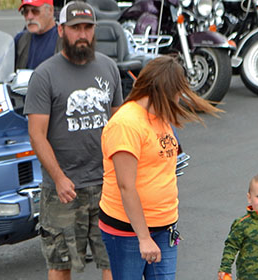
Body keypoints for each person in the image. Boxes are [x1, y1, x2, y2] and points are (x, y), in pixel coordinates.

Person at [98, 55, 223, 280]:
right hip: (129, 231)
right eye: (177, 92)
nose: (179, 98)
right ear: (163, 90)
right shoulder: (126, 124)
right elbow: (126, 186)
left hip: (164, 227)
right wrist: (144, 238)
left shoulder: (160, 116)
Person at [23, 1, 123, 280]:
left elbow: (119, 126)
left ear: (94, 31)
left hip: (106, 187)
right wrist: (58, 177)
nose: (82, 34)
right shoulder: (44, 75)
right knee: (60, 265)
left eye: (87, 28)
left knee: (113, 261)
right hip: (63, 190)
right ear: (61, 30)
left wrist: (122, 176)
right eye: (75, 28)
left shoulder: (109, 68)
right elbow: (36, 134)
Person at [15, 0, 58, 70]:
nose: (29, 17)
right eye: (25, 12)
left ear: (50, 10)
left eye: (35, 11)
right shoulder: (20, 39)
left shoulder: (64, 39)